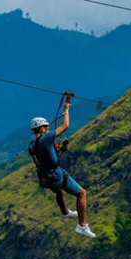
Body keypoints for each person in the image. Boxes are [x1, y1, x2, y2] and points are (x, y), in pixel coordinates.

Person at [28, 94, 96, 238]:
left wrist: (61, 150)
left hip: (44, 178)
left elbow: (47, 158)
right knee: (82, 193)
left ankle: (65, 213)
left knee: (59, 191)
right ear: (41, 129)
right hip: (55, 174)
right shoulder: (45, 138)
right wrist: (66, 109)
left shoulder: (32, 145)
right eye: (45, 128)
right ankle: (82, 226)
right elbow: (65, 126)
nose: (47, 129)